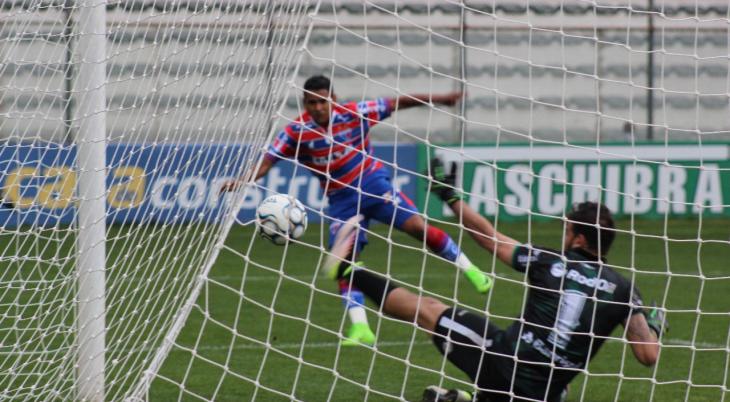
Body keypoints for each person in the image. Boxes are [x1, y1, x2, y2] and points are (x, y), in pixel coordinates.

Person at [322, 158, 667, 401]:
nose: (564, 234)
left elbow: (491, 238)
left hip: (502, 363)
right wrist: (653, 323)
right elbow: (648, 355)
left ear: (578, 239)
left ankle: (350, 270)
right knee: (558, 384)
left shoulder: (551, 262)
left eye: (567, 229)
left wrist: (451, 198)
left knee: (427, 309)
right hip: (547, 393)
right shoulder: (624, 291)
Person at [221, 76, 491, 346]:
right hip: (342, 201)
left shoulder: (354, 114)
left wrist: (441, 99)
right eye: (311, 102)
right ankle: (361, 328)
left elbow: (399, 102)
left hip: (373, 185)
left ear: (333, 99)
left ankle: (473, 271)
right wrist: (241, 181)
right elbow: (267, 162)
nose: (318, 107)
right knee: (343, 262)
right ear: (304, 103)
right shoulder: (295, 132)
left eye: (322, 101)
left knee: (418, 228)